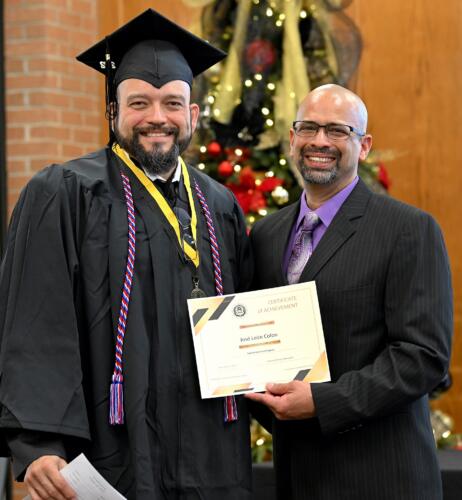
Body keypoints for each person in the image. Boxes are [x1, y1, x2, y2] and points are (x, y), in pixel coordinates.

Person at [0, 9, 253, 500]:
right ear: (113, 112)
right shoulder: (65, 192)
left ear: (193, 116)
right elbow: (35, 321)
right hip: (108, 450)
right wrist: (40, 444)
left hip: (209, 452)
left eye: (172, 103)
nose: (157, 117)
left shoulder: (220, 206)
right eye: (139, 102)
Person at [246, 84, 452, 500]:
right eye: (309, 128)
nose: (320, 141)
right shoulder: (267, 234)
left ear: (364, 145)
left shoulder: (407, 230)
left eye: (338, 131)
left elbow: (423, 357)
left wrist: (323, 403)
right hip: (297, 475)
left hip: (380, 477)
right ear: (292, 138)